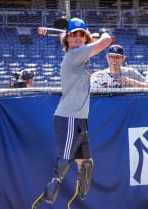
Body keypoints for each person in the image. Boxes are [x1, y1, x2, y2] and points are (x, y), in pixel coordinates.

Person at [36, 17, 113, 205]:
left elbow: (92, 44)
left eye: (81, 35)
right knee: (65, 158)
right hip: (68, 116)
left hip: (78, 117)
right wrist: (102, 30)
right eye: (73, 35)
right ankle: (50, 192)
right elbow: (107, 40)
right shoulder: (75, 54)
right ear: (67, 39)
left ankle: (80, 197)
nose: (77, 38)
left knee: (86, 162)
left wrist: (89, 38)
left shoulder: (81, 53)